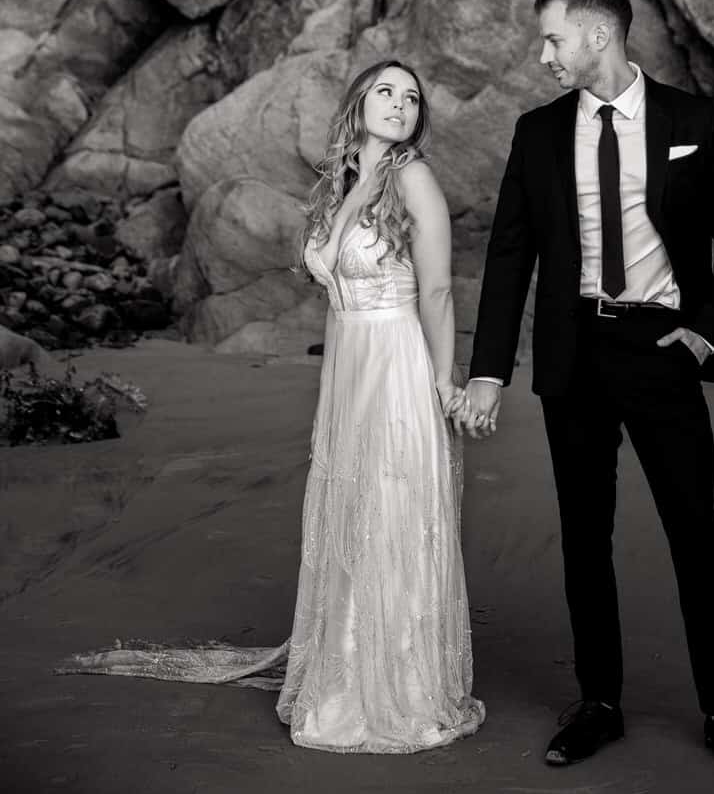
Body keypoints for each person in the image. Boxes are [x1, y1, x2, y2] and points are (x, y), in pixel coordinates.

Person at [60, 59, 485, 756]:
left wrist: (443, 382)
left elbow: (437, 292)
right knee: (351, 512)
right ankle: (344, 667)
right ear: (357, 104)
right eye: (385, 91)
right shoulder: (346, 183)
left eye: (411, 97)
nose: (400, 104)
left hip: (396, 364)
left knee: (390, 510)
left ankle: (398, 689)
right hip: (349, 370)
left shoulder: (414, 177)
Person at [462, 0, 714, 781]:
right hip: (575, 352)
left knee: (693, 531)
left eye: (553, 39)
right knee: (583, 534)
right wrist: (490, 372)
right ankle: (598, 701)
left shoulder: (693, 122)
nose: (544, 56)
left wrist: (705, 335)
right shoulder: (536, 133)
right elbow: (509, 259)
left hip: (661, 348)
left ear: (599, 36)